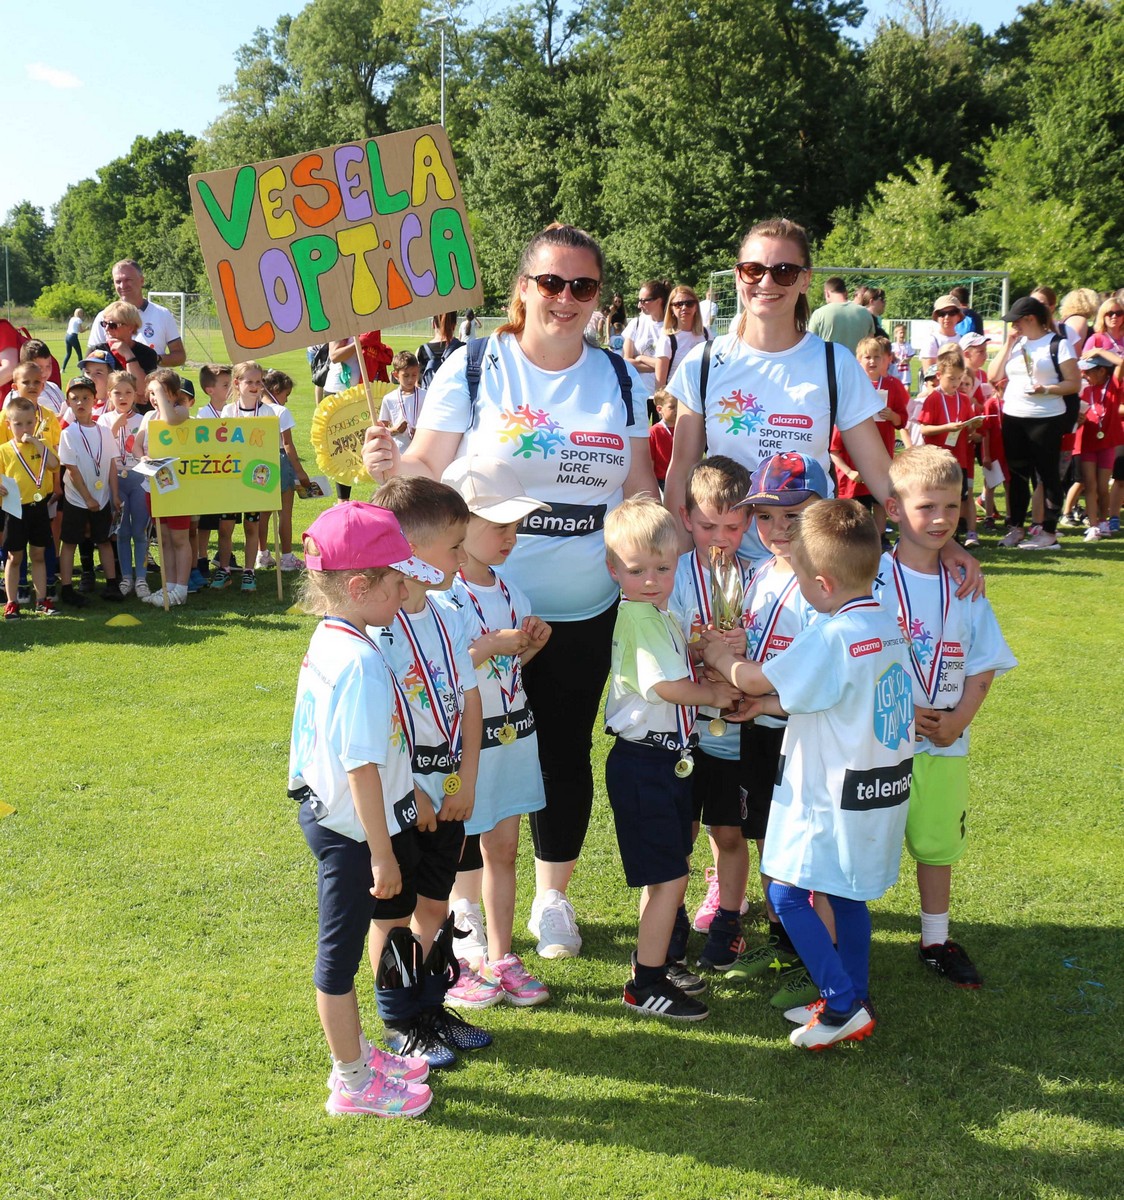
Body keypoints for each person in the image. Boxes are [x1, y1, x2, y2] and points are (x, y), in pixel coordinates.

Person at [362, 222, 657, 961]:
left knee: (563, 753)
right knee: (471, 755)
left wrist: (652, 561)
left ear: (598, 298)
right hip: (470, 608)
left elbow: (641, 488)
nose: (564, 299)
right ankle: (463, 906)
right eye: (550, 282)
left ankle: (552, 899)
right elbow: (427, 465)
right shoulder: (472, 364)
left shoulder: (620, 377)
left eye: (581, 286)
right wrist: (388, 467)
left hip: (583, 604)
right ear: (522, 287)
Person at [664, 217, 982, 596]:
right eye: (753, 270)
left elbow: (880, 471)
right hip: (720, 561)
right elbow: (681, 469)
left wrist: (939, 540)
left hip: (810, 568)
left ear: (804, 279)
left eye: (783, 271)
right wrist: (678, 564)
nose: (766, 283)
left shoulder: (835, 363)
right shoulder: (704, 361)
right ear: (737, 277)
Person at [701, 499, 914, 1050]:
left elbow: (750, 677)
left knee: (790, 893)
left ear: (821, 583)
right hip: (876, 785)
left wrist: (717, 656)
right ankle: (854, 998)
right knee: (846, 896)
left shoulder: (830, 633)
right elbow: (830, 698)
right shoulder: (885, 623)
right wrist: (768, 707)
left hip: (826, 794)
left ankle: (842, 1003)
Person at [289, 500, 439, 1117]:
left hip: (332, 814)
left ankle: (358, 1057)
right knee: (339, 957)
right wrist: (382, 852)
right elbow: (360, 766)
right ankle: (351, 1080)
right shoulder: (358, 663)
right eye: (398, 579)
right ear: (359, 586)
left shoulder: (335, 637)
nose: (409, 588)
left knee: (344, 949)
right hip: (349, 830)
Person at [877, 446, 1017, 987]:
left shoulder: (966, 582)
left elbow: (985, 662)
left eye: (952, 508)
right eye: (926, 507)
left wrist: (960, 717)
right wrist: (895, 709)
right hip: (881, 741)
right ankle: (844, 932)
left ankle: (936, 939)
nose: (940, 520)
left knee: (936, 845)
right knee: (865, 841)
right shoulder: (872, 578)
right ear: (893, 509)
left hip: (945, 742)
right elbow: (854, 657)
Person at [603, 497, 742, 1022]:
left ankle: (655, 962)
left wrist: (704, 656)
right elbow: (664, 685)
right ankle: (647, 982)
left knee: (667, 874)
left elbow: (677, 669)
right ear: (613, 569)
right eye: (636, 570)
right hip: (646, 763)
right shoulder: (640, 617)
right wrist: (714, 695)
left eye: (663, 567)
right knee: (670, 878)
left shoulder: (659, 613)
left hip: (664, 760)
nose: (651, 579)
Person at [368, 476, 490, 1067]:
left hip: (450, 791)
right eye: (454, 547)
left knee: (435, 905)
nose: (462, 558)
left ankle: (431, 1005)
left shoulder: (451, 610)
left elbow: (469, 699)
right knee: (392, 912)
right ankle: (400, 1024)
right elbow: (381, 726)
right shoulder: (379, 626)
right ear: (411, 552)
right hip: (402, 795)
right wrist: (411, 790)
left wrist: (465, 780)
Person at [439, 456, 553, 1007]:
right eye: (498, 525)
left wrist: (529, 645)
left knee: (503, 846)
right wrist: (488, 647)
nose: (511, 536)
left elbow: (510, 672)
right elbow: (439, 668)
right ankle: (464, 953)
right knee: (458, 848)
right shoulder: (440, 594)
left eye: (515, 524)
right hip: (466, 747)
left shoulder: (513, 591)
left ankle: (503, 955)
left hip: (513, 736)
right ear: (460, 526)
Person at [718, 455, 825, 1016]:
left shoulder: (826, 586)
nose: (778, 530)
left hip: (804, 734)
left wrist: (763, 697)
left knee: (810, 849)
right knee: (768, 836)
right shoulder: (761, 574)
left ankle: (819, 956)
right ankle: (786, 941)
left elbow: (827, 679)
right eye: (765, 517)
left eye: (794, 516)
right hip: (759, 730)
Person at [667, 457, 753, 975]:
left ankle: (727, 920)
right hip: (682, 732)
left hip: (734, 737)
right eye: (706, 526)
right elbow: (665, 644)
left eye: (732, 527)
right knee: (682, 832)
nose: (719, 537)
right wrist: (704, 651)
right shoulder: (671, 576)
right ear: (685, 518)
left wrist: (742, 651)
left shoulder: (759, 577)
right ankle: (670, 914)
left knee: (729, 831)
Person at [987, 295, 1080, 550]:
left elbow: (1074, 383)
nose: (1012, 326)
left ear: (1030, 319)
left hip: (1047, 418)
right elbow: (993, 375)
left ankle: (1049, 532)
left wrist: (1047, 389)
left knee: (1047, 475)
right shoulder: (1017, 343)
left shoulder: (1058, 344)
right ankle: (1016, 528)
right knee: (1016, 476)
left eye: (1015, 322)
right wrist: (1008, 345)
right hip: (1014, 416)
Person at [830, 335, 910, 545]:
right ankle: (857, 538)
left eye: (877, 357)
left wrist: (892, 415)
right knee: (857, 501)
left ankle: (881, 536)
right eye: (867, 357)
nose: (872, 361)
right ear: (858, 360)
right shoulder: (850, 385)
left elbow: (903, 421)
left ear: (885, 360)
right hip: (854, 453)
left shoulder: (893, 385)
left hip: (882, 450)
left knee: (882, 497)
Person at [56, 376, 124, 607]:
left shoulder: (104, 431)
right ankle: (67, 588)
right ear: (68, 403)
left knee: (104, 540)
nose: (80, 402)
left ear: (95, 399)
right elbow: (72, 471)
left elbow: (112, 465)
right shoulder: (68, 433)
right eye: (75, 399)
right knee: (70, 542)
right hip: (78, 499)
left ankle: (112, 584)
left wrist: (114, 495)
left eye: (86, 397)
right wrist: (87, 498)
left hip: (102, 498)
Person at [213, 361, 277, 592]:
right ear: (237, 384)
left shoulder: (268, 412)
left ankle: (249, 572)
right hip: (232, 480)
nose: (254, 386)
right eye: (249, 381)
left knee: (252, 527)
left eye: (258, 382)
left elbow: (270, 447)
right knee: (225, 527)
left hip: (255, 482)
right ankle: (225, 569)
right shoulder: (228, 411)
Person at [134, 370, 193, 606]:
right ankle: (168, 586)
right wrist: (143, 457)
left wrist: (160, 391)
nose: (153, 397)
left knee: (179, 538)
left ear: (172, 393)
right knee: (165, 538)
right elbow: (137, 445)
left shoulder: (180, 410)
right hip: (154, 485)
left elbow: (170, 420)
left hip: (177, 486)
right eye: (150, 393)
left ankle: (182, 588)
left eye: (157, 392)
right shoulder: (148, 416)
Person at [915, 344, 984, 546]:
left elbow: (969, 430)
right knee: (938, 499)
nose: (955, 383)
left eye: (959, 379)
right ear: (939, 375)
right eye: (951, 379)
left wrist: (974, 426)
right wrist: (947, 427)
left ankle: (954, 537)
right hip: (938, 460)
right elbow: (924, 429)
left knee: (956, 500)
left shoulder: (963, 399)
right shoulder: (933, 398)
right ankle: (937, 534)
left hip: (960, 459)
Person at [1, 394, 59, 618]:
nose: (24, 428)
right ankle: (11, 602)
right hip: (14, 509)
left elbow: (55, 465)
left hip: (39, 507)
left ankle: (42, 600)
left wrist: (37, 442)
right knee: (14, 557)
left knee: (38, 554)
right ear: (9, 424)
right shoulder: (4, 450)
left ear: (35, 421)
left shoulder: (41, 445)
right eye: (18, 424)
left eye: (28, 423)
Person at [97, 372, 145, 595]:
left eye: (128, 392)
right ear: (109, 395)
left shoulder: (143, 419)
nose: (123, 397)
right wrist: (115, 426)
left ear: (136, 394)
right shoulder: (104, 420)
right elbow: (102, 450)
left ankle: (142, 578)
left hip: (139, 481)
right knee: (122, 531)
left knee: (140, 531)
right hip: (116, 482)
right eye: (117, 393)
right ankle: (126, 577)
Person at [88, 260, 185, 368]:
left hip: (151, 383)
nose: (123, 285)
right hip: (115, 384)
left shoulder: (162, 314)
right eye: (118, 281)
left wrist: (154, 358)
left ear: (142, 281)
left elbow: (179, 356)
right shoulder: (104, 317)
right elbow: (91, 359)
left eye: (128, 280)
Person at [261, 368, 312, 572]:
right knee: (285, 513)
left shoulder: (256, 408)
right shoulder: (280, 411)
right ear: (275, 389)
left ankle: (262, 554)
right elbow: (288, 444)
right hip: (280, 461)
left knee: (263, 513)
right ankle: (288, 558)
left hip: (260, 463)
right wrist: (300, 472)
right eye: (286, 395)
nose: (287, 400)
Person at [1071, 350, 1123, 541]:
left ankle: (1103, 521)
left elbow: (1121, 363)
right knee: (1090, 485)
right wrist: (1080, 419)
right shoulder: (1086, 391)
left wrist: (1099, 351)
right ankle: (1093, 526)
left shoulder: (1114, 384)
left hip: (1107, 443)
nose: (1085, 375)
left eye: (1089, 371)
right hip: (1087, 442)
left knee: (1102, 486)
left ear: (1102, 371)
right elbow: (1081, 416)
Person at [191, 364, 233, 586]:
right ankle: (202, 558)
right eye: (226, 385)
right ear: (210, 390)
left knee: (227, 523)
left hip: (229, 477)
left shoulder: (234, 411)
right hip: (209, 477)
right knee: (205, 524)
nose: (231, 388)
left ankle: (226, 560)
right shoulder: (202, 415)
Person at [87, 301, 159, 393]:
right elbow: (88, 387)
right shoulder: (96, 351)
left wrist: (128, 354)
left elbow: (142, 390)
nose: (106, 329)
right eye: (104, 324)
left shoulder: (147, 354)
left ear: (131, 327)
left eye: (113, 325)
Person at [623, 279, 669, 411]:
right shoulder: (636, 324)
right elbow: (627, 361)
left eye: (644, 301)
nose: (639, 305)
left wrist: (641, 358)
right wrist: (660, 365)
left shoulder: (672, 327)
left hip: (665, 395)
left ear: (659, 301)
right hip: (638, 394)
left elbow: (674, 364)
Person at [654, 285, 709, 390]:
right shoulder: (667, 339)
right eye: (678, 304)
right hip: (676, 399)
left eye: (689, 303)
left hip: (702, 397)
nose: (684, 308)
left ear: (696, 306)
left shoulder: (706, 334)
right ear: (671, 309)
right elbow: (660, 384)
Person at [807, 276, 875, 353]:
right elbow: (871, 346)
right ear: (846, 292)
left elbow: (810, 345)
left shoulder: (819, 314)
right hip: (856, 364)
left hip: (828, 364)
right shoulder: (865, 313)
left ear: (827, 293)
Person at [378, 351, 426, 456]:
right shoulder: (389, 399)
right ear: (396, 375)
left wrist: (420, 432)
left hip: (421, 450)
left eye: (414, 375)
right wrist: (394, 430)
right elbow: (380, 431)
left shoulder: (425, 396)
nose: (410, 379)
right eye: (406, 375)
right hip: (399, 452)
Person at [417, 313, 464, 389]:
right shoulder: (463, 348)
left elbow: (419, 383)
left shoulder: (423, 350)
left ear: (433, 324)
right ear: (455, 325)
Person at [921, 295, 964, 371]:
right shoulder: (932, 340)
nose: (947, 317)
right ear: (937, 317)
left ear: (958, 316)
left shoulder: (964, 340)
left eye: (952, 313)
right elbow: (929, 376)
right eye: (942, 313)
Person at [649, 389, 677, 489]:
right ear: (659, 409)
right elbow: (650, 462)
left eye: (679, 406)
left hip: (682, 478)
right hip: (662, 481)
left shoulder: (685, 428)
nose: (677, 410)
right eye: (672, 407)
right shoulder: (654, 432)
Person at [889, 323, 915, 390]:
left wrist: (906, 360)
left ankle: (907, 400)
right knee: (895, 389)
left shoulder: (908, 346)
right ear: (895, 335)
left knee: (906, 389)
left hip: (905, 372)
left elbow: (910, 356)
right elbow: (890, 358)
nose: (902, 335)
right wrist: (894, 357)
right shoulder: (892, 346)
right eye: (900, 333)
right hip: (895, 371)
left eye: (904, 333)